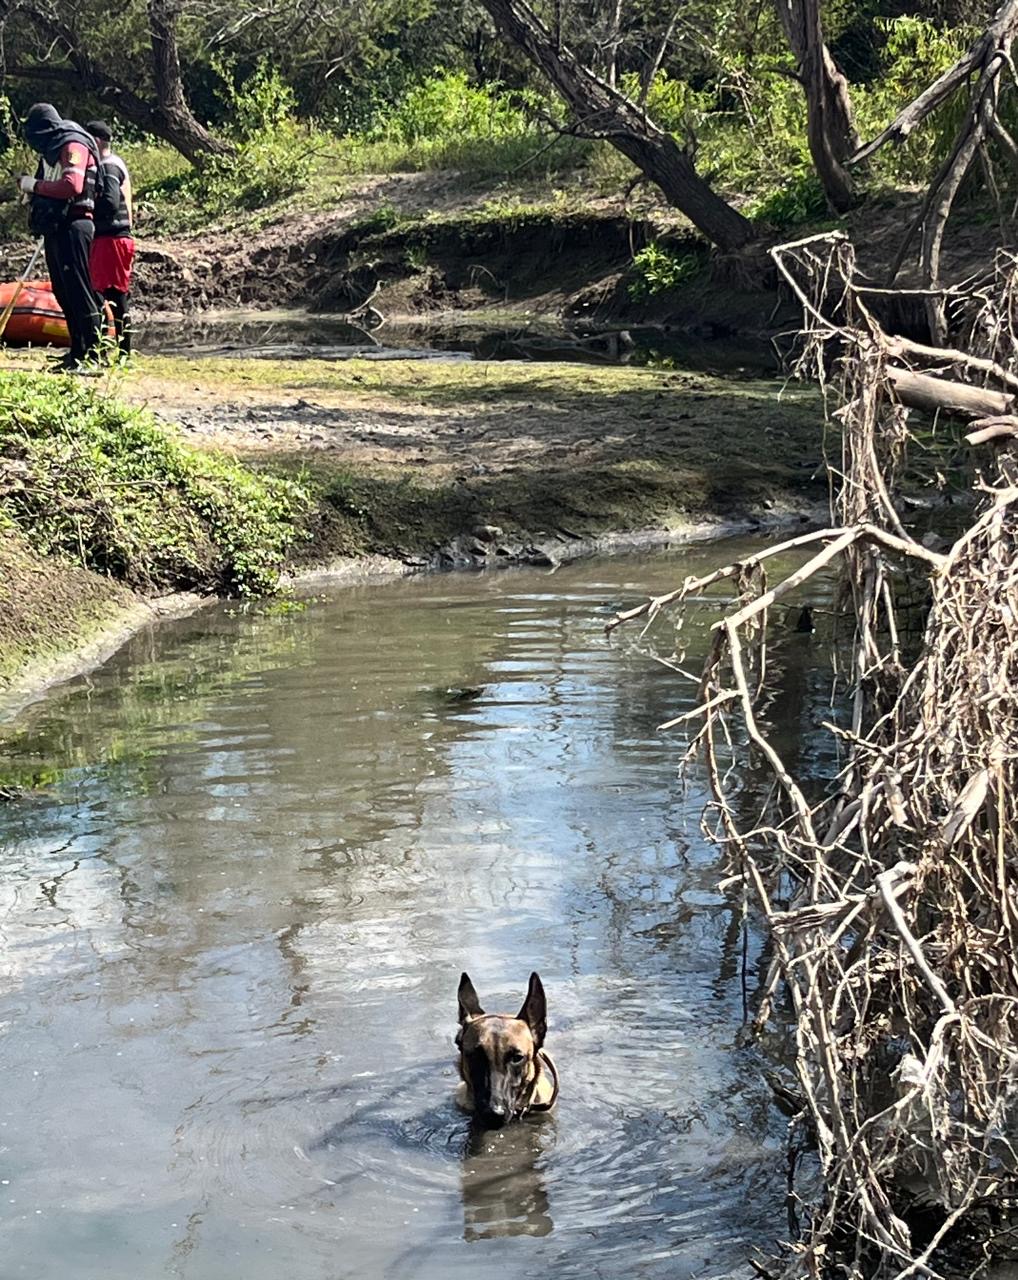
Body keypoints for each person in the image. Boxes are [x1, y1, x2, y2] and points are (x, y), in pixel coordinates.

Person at [17, 103, 103, 370]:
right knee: (63, 292)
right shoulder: (51, 151)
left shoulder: (72, 144)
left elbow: (71, 186)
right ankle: (77, 351)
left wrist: (35, 185)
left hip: (75, 225)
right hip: (56, 227)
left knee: (79, 291)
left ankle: (93, 356)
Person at [86, 120, 135, 359]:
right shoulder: (111, 164)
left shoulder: (108, 166)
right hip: (111, 238)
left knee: (114, 296)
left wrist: (87, 208)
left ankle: (123, 352)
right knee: (105, 295)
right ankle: (106, 350)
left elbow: (110, 203)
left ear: (95, 141)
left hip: (112, 238)